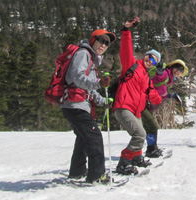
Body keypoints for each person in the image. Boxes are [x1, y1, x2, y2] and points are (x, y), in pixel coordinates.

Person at [60, 29, 116, 184]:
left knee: (84, 138)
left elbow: (89, 90)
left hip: (76, 104)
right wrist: (98, 83)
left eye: (107, 43)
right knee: (94, 137)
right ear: (93, 40)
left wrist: (104, 102)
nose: (104, 45)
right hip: (75, 104)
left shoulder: (91, 60)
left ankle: (77, 172)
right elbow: (76, 78)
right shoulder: (83, 54)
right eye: (101, 40)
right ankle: (97, 175)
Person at [113, 17, 162, 175]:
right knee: (140, 134)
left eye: (154, 61)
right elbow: (126, 49)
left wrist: (161, 96)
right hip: (123, 106)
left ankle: (136, 158)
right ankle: (124, 161)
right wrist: (126, 30)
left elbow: (155, 96)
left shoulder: (147, 79)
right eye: (149, 57)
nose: (150, 61)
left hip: (136, 110)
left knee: (140, 134)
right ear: (145, 56)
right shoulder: (131, 65)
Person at [142, 59, 188, 158]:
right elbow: (159, 77)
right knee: (151, 126)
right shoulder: (166, 74)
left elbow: (159, 91)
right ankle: (150, 149)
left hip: (148, 104)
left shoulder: (170, 79)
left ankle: (152, 148)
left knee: (149, 127)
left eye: (181, 70)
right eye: (177, 67)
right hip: (143, 103)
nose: (178, 71)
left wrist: (170, 95)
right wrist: (159, 72)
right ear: (172, 66)